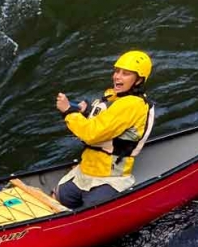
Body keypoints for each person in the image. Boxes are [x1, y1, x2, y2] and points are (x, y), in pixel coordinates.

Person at [54, 50, 156, 209]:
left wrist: (68, 111)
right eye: (117, 71)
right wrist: (86, 112)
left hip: (110, 178)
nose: (117, 76)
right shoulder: (113, 97)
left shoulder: (132, 104)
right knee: (61, 196)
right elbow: (104, 121)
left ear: (138, 80)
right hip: (86, 171)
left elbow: (91, 134)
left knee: (91, 209)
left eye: (126, 74)